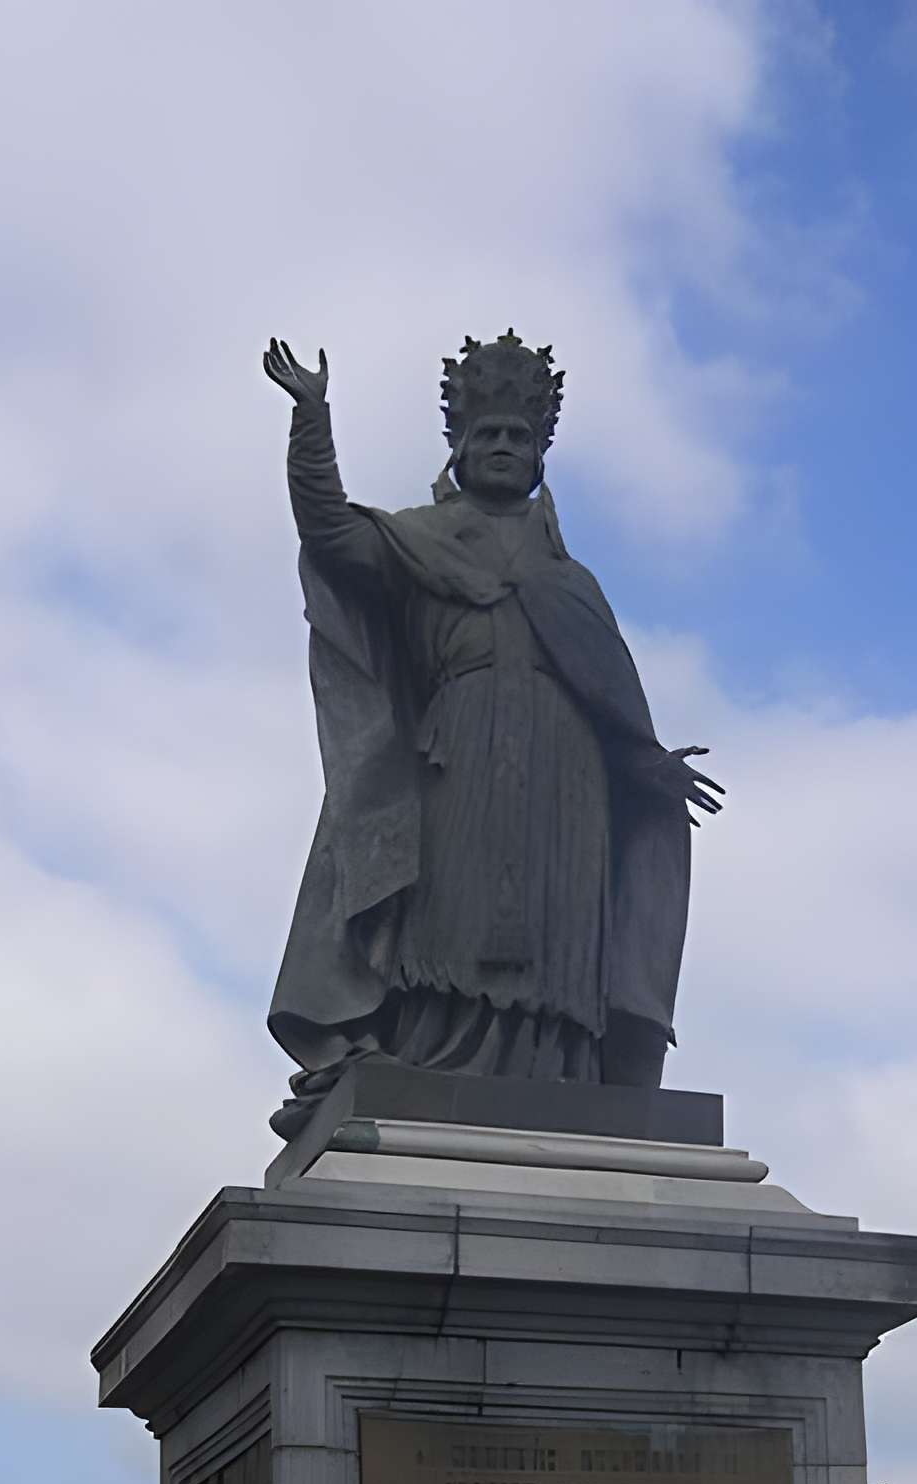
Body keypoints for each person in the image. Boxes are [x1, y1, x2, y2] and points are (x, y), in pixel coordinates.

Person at [260, 330, 723, 1137]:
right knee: (451, 913)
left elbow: (609, 698)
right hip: (458, 755)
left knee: (559, 928)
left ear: (540, 453)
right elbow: (331, 536)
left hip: (567, 774)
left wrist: (645, 768)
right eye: (490, 436)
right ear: (461, 449)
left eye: (519, 437)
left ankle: (561, 1071)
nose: (504, 447)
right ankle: (429, 1057)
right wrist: (312, 421)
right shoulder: (416, 540)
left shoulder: (573, 582)